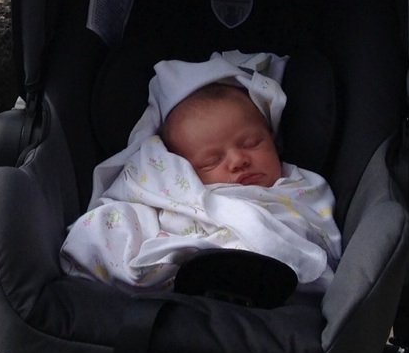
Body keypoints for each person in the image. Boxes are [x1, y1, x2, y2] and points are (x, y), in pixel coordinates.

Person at [59, 57, 340, 296]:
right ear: (182, 168)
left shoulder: (301, 186)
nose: (238, 160)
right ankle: (188, 269)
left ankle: (234, 268)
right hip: (186, 243)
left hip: (263, 264)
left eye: (252, 143)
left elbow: (319, 231)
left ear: (274, 140)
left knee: (250, 252)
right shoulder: (171, 188)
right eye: (212, 160)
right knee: (104, 224)